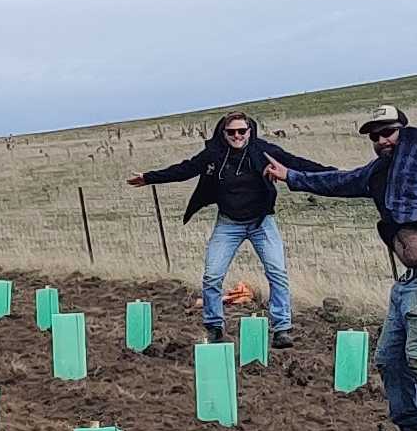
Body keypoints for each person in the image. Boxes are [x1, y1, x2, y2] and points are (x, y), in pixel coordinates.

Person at [267, 61, 417, 431]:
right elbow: (336, 181)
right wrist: (290, 176)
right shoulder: (377, 173)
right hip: (411, 280)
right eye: (375, 136)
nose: (382, 140)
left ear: (402, 128)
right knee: (390, 359)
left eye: (388, 131)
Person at [127, 110, 327, 347]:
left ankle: (281, 329)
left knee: (277, 273)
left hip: (261, 223)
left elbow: (297, 163)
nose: (237, 136)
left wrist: (335, 175)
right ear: (223, 133)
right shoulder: (214, 154)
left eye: (242, 131)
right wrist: (149, 178)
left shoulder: (263, 151)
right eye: (231, 132)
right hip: (228, 224)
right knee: (212, 276)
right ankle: (214, 327)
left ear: (249, 131)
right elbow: (185, 169)